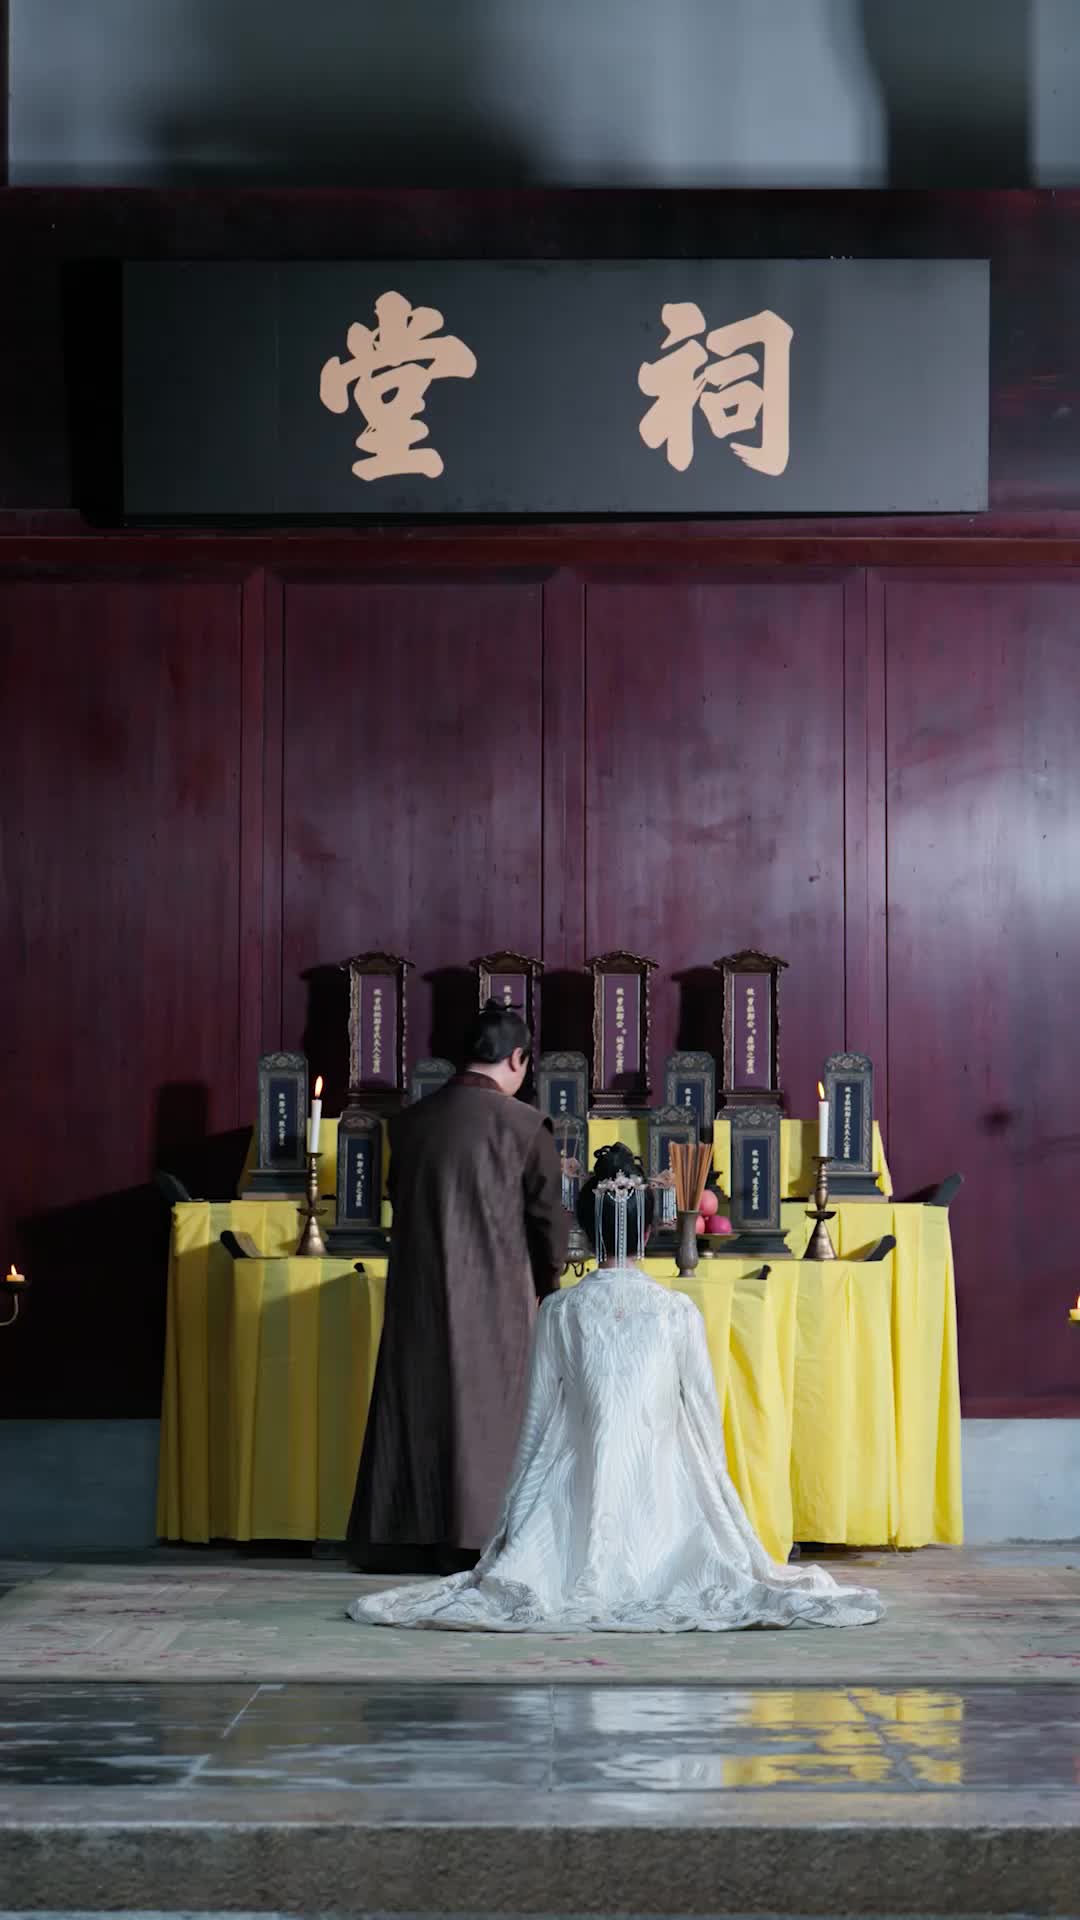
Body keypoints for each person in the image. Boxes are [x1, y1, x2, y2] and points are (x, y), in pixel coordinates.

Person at [347, 1142, 883, 1631]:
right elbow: (701, 1411)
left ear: (583, 1228)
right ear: (649, 1231)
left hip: (574, 1484)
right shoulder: (676, 1310)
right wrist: (716, 1493)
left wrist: (515, 1515)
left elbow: (537, 1415)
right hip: (666, 1487)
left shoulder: (561, 1310)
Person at [346, 1000, 569, 1576]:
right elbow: (548, 1223)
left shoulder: (410, 1123)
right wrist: (547, 1284)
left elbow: (398, 1198)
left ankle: (400, 1537)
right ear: (517, 1059)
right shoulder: (525, 1126)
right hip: (497, 1294)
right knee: (489, 1414)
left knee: (415, 1406)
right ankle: (479, 1538)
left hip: (418, 1293)